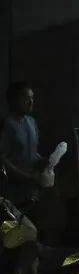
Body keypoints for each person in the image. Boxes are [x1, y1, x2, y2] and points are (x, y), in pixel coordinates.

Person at [0, 82, 44, 210]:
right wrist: (25, 176)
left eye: (32, 98)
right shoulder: (6, 125)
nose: (30, 102)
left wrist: (43, 161)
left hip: (31, 190)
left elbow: (32, 151)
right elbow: (3, 159)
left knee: (30, 226)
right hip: (11, 191)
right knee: (11, 227)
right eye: (26, 98)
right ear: (13, 100)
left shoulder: (31, 122)